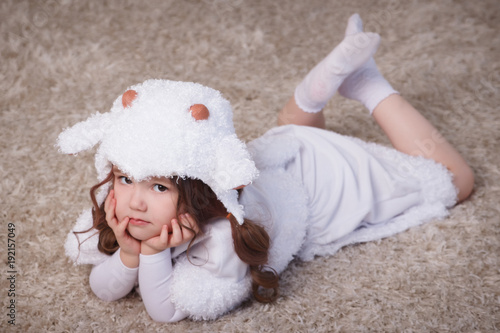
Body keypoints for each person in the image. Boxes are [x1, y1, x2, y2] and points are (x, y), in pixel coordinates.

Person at [58, 14, 474, 322]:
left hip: (326, 183)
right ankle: (311, 97)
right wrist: (130, 252)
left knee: (454, 182)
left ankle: (368, 84)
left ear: (201, 189)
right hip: (286, 153)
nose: (135, 201)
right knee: (289, 134)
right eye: (126, 178)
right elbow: (104, 290)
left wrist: (151, 252)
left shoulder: (224, 237)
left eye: (160, 188)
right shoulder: (124, 210)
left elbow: (165, 311)